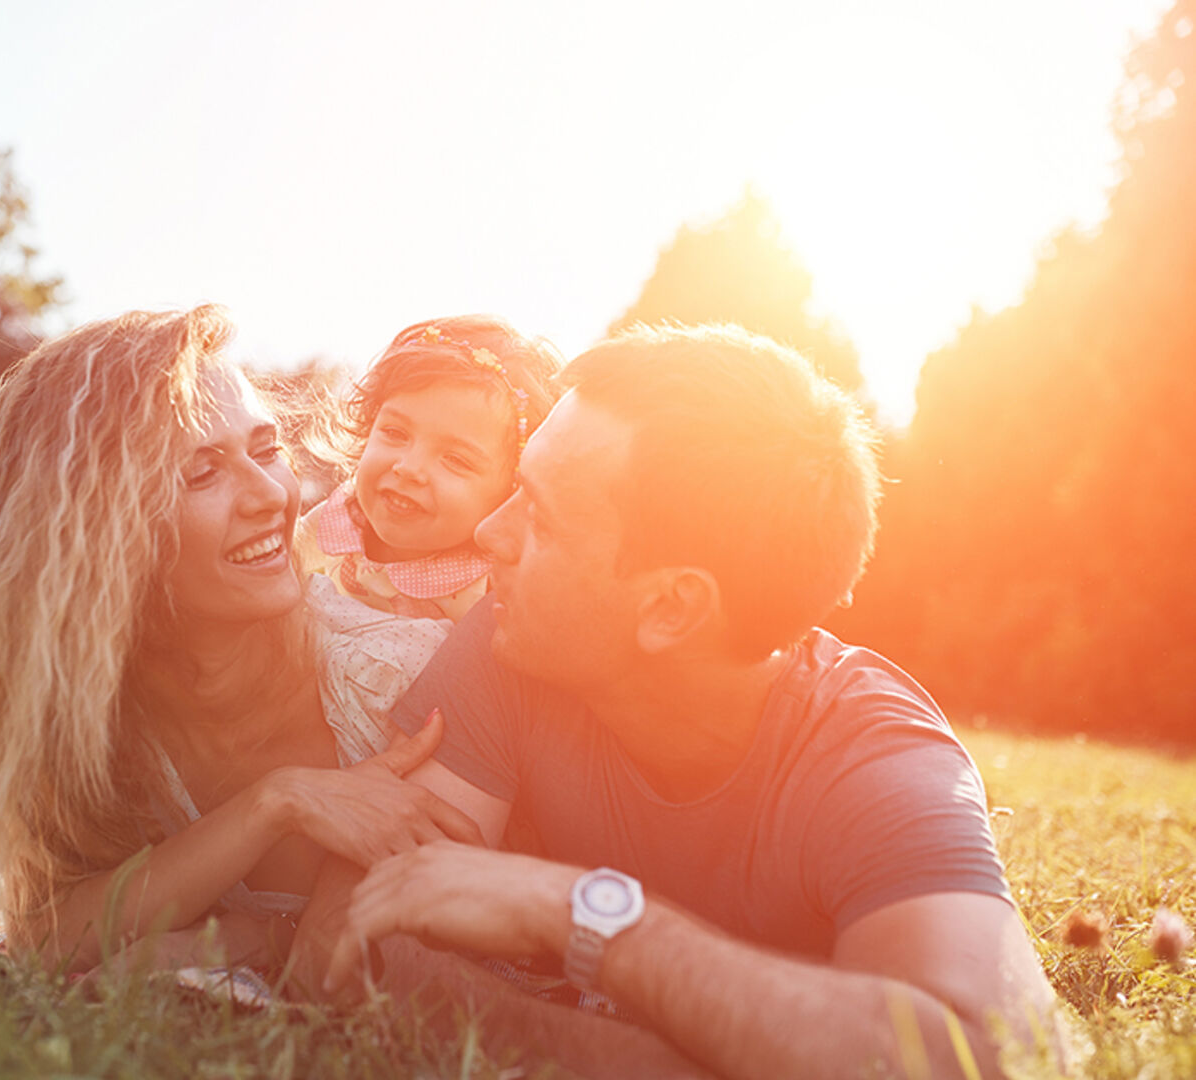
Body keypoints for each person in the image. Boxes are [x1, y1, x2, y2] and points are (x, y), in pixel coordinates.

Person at [312, 323, 1059, 1079]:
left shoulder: (875, 760)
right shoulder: (514, 637)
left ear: (670, 607)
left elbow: (985, 1057)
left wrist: (579, 909)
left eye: (537, 514)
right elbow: (346, 936)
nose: (487, 532)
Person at [0, 306, 485, 974]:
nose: (268, 497)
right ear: (101, 536)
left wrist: (262, 940)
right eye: (201, 473)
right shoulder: (86, 717)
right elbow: (47, 938)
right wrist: (275, 804)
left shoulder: (395, 676)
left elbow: (479, 930)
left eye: (266, 450)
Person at [297, 315, 561, 623]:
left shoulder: (491, 588)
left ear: (510, 491)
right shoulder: (340, 520)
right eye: (395, 433)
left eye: (455, 459)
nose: (408, 468)